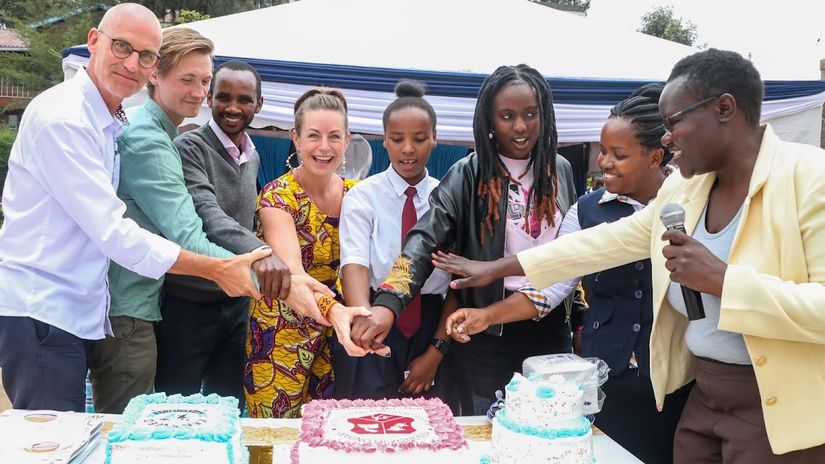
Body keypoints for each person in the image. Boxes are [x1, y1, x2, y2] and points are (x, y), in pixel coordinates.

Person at [431, 49, 825, 462]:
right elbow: (601, 243)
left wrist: (725, 281)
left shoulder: (808, 179)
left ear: (724, 108)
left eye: (673, 122)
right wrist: (499, 266)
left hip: (776, 409)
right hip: (702, 400)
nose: (666, 138)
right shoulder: (686, 191)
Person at [0, 3, 267, 413]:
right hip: (45, 308)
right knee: (55, 446)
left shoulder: (113, 121)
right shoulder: (65, 119)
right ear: (93, 41)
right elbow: (116, 233)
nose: (131, 63)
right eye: (121, 47)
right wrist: (227, 270)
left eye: (144, 55)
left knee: (89, 437)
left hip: (84, 309)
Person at [439, 83, 692, 463]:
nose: (603, 163)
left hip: (674, 384)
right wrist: (485, 315)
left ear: (656, 156)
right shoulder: (585, 212)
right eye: (603, 151)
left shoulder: (692, 201)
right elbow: (552, 281)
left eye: (618, 155)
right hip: (607, 383)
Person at [351, 64, 579, 415]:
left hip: (549, 329)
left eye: (530, 114)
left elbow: (571, 251)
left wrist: (577, 317)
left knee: (549, 428)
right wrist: (388, 303)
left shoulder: (559, 169)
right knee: (488, 431)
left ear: (544, 115)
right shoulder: (467, 174)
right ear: (489, 120)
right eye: (507, 116)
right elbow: (422, 242)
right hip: (486, 335)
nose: (520, 126)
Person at [153, 60, 287, 409]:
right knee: (174, 408)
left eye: (244, 100)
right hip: (188, 304)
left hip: (236, 303)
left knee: (228, 406)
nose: (232, 107)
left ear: (259, 104)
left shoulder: (252, 155)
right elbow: (209, 216)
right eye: (223, 97)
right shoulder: (190, 148)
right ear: (209, 97)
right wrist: (264, 253)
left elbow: (248, 217)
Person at [244, 88, 371, 418]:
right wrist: (339, 313)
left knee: (328, 434)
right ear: (296, 139)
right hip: (280, 339)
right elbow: (293, 277)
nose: (324, 147)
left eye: (334, 136)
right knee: (273, 438)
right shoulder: (277, 198)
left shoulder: (358, 197)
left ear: (347, 142)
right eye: (313, 136)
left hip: (337, 340)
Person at [335, 81, 458, 411]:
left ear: (434, 138)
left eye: (419, 139)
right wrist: (364, 323)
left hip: (434, 322)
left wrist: (435, 352)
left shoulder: (449, 198)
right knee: (368, 420)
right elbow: (355, 264)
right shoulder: (363, 196)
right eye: (398, 139)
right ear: (384, 140)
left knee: (431, 425)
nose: (408, 149)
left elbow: (460, 281)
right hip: (374, 313)